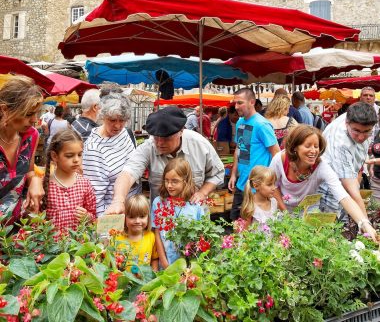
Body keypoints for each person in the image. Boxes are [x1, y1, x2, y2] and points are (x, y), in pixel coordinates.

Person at [105, 106, 225, 215]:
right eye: (156, 137)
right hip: (162, 221)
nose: (160, 143)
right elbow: (128, 173)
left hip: (195, 217)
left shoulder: (200, 144)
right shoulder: (148, 147)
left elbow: (217, 172)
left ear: (181, 131)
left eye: (166, 138)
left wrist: (203, 192)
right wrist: (118, 201)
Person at [270, 124, 377, 241]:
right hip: (282, 208)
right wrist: (284, 212)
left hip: (308, 211)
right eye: (308, 146)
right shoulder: (280, 159)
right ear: (295, 147)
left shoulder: (321, 166)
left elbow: (343, 196)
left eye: (316, 146)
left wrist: (364, 223)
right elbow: (272, 186)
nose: (313, 151)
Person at [83, 90, 138, 217]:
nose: (118, 126)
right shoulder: (94, 148)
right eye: (112, 120)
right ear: (103, 116)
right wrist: (103, 226)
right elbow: (95, 196)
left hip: (132, 210)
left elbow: (133, 163)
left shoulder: (124, 133)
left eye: (122, 120)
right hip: (113, 213)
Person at [319, 102, 378, 221]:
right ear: (347, 123)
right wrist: (366, 223)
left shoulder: (356, 116)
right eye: (356, 131)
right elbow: (351, 189)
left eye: (367, 131)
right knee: (331, 227)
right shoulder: (341, 143)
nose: (361, 137)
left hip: (346, 182)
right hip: (328, 190)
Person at [228, 88, 280, 220]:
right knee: (236, 224)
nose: (236, 106)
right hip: (242, 185)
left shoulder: (262, 124)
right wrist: (233, 174)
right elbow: (239, 149)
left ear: (252, 102)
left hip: (257, 189)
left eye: (240, 103)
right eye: (235, 103)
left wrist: (272, 182)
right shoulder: (240, 122)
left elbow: (276, 153)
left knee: (256, 230)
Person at [0, 76, 44, 220]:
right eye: (28, 114)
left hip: (17, 233)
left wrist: (35, 181)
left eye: (37, 113)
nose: (34, 120)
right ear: (5, 109)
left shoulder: (31, 136)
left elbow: (29, 170)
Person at [151, 157, 205, 268]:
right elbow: (157, 232)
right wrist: (164, 261)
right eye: (166, 180)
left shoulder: (195, 205)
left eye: (174, 181)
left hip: (189, 264)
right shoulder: (159, 203)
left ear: (185, 181)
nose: (169, 185)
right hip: (166, 261)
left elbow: (201, 236)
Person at [41, 129, 96, 231]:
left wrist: (87, 217)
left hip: (77, 245)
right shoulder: (44, 184)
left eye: (79, 154)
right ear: (54, 156)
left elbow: (93, 214)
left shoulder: (84, 184)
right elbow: (35, 219)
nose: (76, 160)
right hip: (51, 245)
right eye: (69, 156)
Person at [115, 194, 159, 272]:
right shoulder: (117, 237)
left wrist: (153, 274)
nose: (137, 221)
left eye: (142, 216)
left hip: (144, 281)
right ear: (125, 217)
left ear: (148, 217)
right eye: (132, 217)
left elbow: (154, 258)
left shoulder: (151, 236)